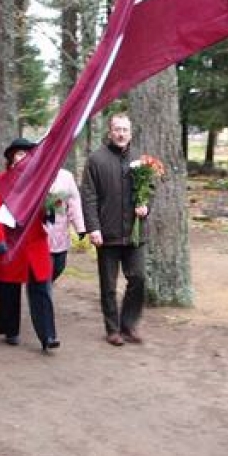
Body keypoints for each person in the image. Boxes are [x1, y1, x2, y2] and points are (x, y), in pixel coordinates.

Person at [80, 113, 149, 346]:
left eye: (125, 130)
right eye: (117, 129)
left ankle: (128, 324)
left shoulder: (141, 159)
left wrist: (145, 205)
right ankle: (112, 329)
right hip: (106, 234)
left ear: (131, 132)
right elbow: (88, 196)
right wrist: (93, 228)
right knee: (108, 285)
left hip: (135, 233)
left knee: (138, 278)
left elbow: (150, 189)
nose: (121, 134)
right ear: (110, 132)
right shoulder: (96, 160)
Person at [0, 138, 58, 352]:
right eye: (18, 154)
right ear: (11, 158)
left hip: (34, 243)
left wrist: (50, 210)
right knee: (9, 288)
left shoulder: (39, 184)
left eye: (27, 154)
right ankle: (10, 329)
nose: (23, 157)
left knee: (41, 288)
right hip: (10, 243)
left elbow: (43, 212)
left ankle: (48, 335)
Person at [44, 166, 86, 281]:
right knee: (44, 272)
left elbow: (74, 202)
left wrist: (80, 227)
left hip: (60, 232)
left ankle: (43, 289)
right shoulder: (35, 173)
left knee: (59, 266)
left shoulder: (66, 176)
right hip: (40, 232)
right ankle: (42, 292)